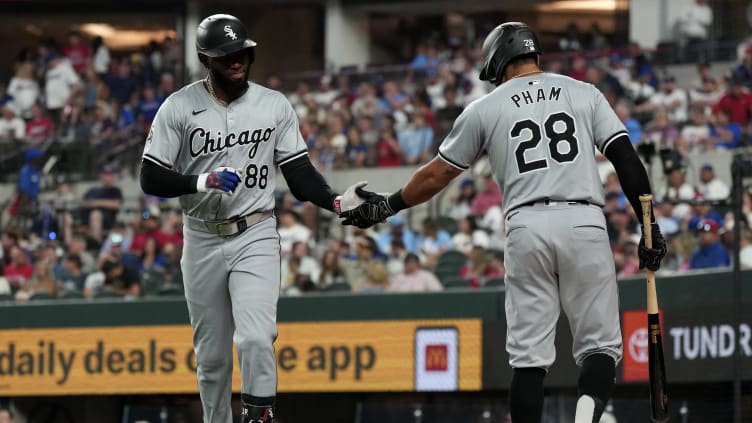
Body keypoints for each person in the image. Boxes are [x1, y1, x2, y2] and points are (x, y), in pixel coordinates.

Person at [341, 22, 667, 423]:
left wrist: (385, 206)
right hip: (584, 221)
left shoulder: (486, 107)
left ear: (498, 61)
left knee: (529, 359)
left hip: (526, 226)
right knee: (600, 349)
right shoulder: (584, 92)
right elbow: (627, 162)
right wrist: (650, 228)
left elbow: (436, 176)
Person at [138, 14, 365, 423]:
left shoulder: (273, 104)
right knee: (211, 358)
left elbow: (298, 174)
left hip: (255, 231)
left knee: (257, 338)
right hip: (202, 237)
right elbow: (150, 176)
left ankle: (260, 416)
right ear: (207, 59)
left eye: (243, 52)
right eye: (227, 55)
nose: (238, 60)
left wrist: (333, 202)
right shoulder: (179, 106)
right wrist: (201, 181)